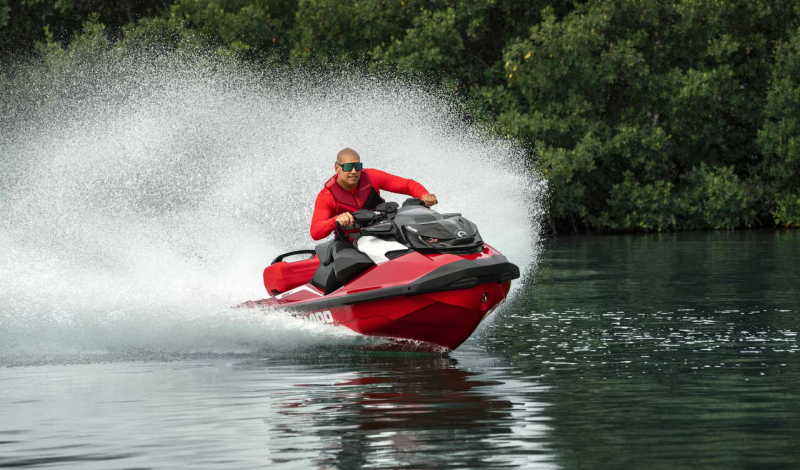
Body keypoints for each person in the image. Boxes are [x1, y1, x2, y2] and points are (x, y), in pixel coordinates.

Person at [310, 148, 437, 240]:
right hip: (350, 242)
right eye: (348, 167)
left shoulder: (371, 177)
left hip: (384, 232)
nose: (354, 171)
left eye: (357, 166)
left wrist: (424, 194)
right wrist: (336, 220)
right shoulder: (327, 196)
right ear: (337, 168)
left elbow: (407, 185)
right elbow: (315, 232)